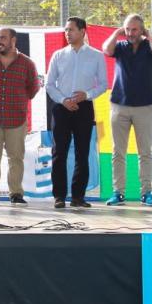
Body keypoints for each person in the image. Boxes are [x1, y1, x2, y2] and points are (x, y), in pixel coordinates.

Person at [102, 13, 152, 207]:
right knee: (117, 152)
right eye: (127, 29)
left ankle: (146, 193)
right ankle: (117, 192)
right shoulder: (120, 47)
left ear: (142, 30)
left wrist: (148, 33)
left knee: (144, 152)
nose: (130, 33)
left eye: (134, 29)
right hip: (119, 105)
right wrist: (117, 33)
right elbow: (106, 50)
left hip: (144, 107)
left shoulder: (148, 47)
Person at [45, 17, 107, 209]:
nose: (67, 33)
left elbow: (103, 84)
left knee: (83, 153)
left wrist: (86, 95)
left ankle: (78, 196)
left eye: (71, 30)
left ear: (82, 31)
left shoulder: (96, 56)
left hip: (84, 108)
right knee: (59, 153)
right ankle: (59, 196)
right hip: (62, 108)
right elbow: (49, 84)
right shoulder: (58, 55)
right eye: (66, 30)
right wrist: (64, 100)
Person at [0, 27, 40, 207]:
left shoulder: (27, 64)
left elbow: (33, 89)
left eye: (3, 38)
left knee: (16, 158)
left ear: (13, 40)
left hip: (16, 120)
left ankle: (16, 194)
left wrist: (16, 104)